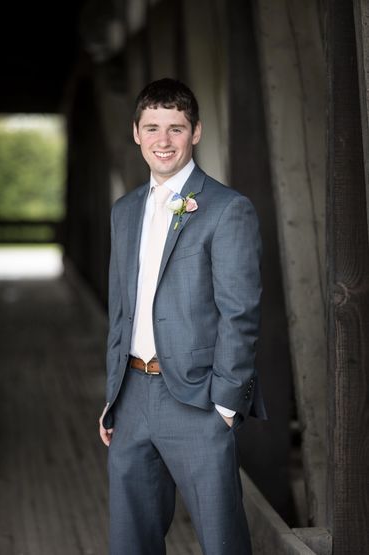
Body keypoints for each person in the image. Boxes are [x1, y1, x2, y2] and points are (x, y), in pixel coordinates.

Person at [99, 78, 266, 555]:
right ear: (136, 133)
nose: (163, 140)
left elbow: (241, 312)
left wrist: (226, 406)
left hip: (198, 402)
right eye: (152, 128)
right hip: (132, 398)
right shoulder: (124, 210)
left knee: (222, 542)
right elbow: (120, 310)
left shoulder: (226, 209)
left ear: (196, 133)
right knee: (131, 543)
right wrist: (113, 395)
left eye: (176, 128)